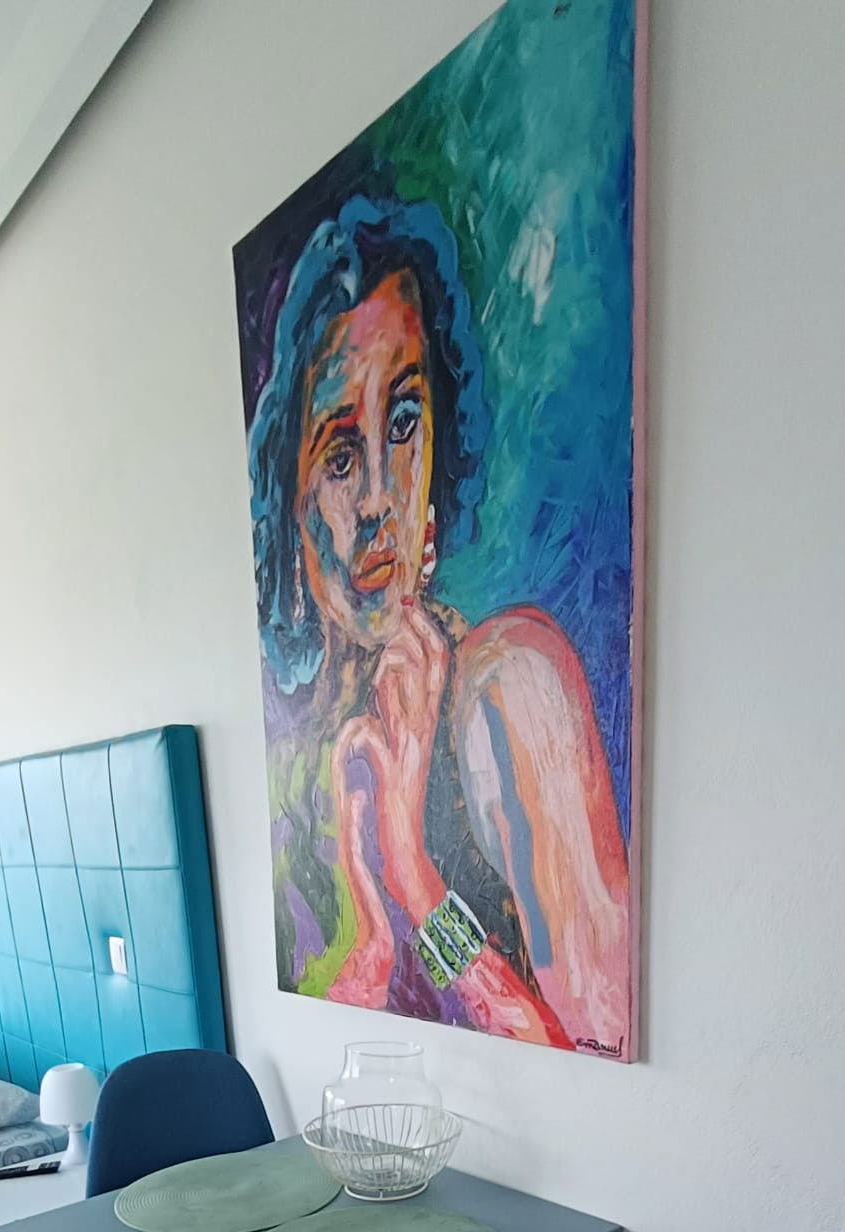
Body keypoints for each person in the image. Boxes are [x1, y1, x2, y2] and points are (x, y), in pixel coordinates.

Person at [247, 194, 631, 1053]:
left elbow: (595, 1058)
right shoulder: (300, 762)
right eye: (340, 455)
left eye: (404, 423)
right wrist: (371, 940)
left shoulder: (509, 685)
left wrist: (418, 882)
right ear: (288, 508)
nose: (378, 498)